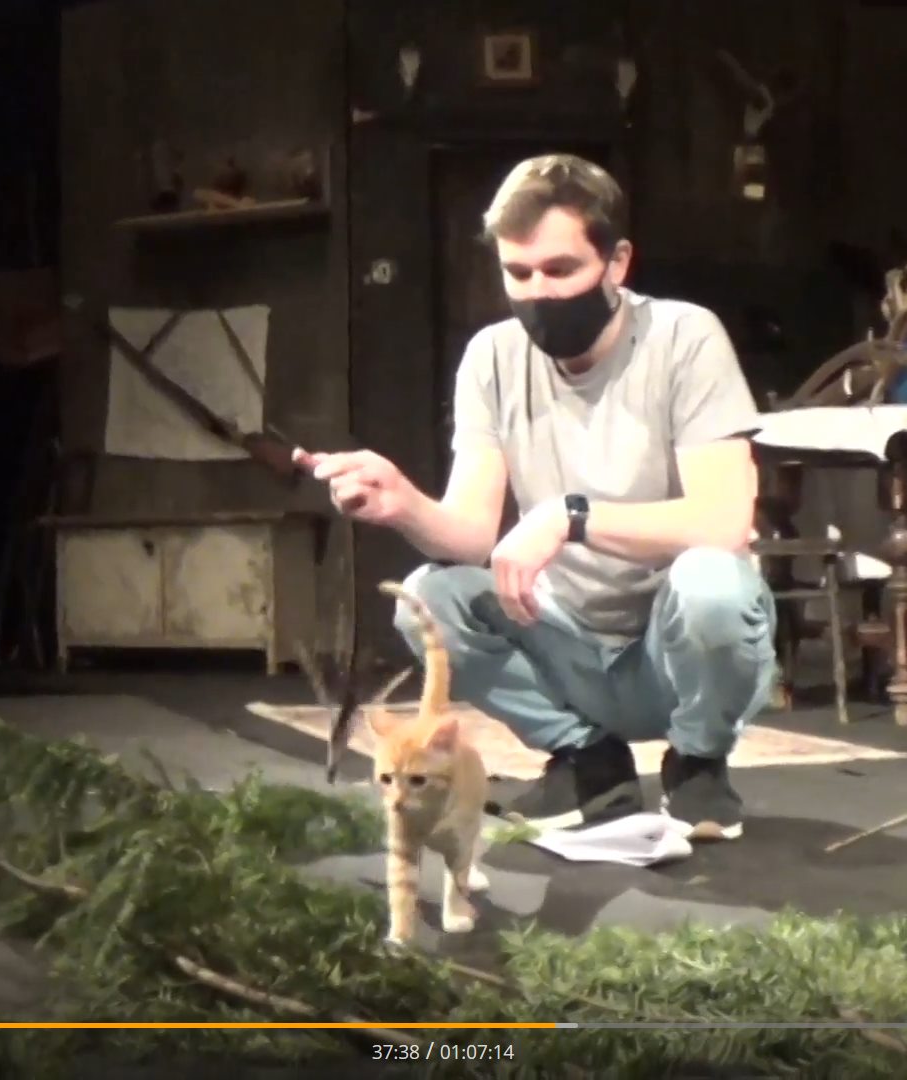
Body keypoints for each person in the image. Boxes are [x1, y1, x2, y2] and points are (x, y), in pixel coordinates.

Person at [294, 154, 778, 840]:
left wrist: (568, 518)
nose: (538, 294)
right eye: (518, 274)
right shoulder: (492, 357)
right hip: (568, 643)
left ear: (616, 263)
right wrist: (402, 502)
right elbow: (470, 535)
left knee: (713, 582)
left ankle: (698, 762)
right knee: (429, 597)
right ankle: (588, 760)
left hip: (677, 650)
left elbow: (724, 522)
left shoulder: (685, 337)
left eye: (560, 270)